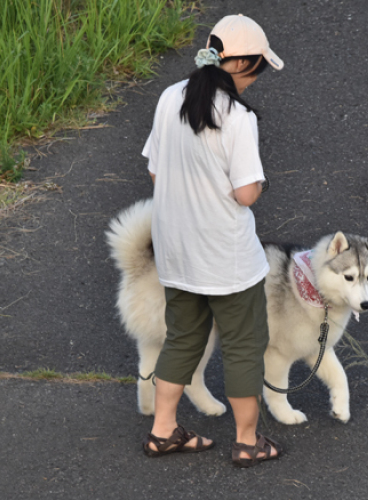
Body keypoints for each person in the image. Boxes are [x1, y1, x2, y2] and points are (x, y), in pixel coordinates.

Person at [140, 14, 284, 468]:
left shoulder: (169, 98)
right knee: (243, 344)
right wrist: (258, 185)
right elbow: (245, 194)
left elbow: (155, 171)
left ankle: (163, 432)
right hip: (227, 256)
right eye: (258, 68)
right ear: (240, 62)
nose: (257, 79)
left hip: (177, 250)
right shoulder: (238, 117)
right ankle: (247, 441)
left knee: (182, 337)